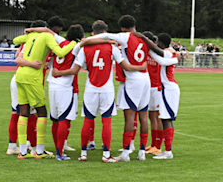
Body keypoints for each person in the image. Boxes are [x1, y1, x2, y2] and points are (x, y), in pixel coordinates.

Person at [53, 20, 147, 162]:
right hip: (106, 89)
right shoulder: (112, 47)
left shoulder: (85, 48)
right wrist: (141, 68)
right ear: (105, 32)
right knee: (106, 121)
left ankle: (83, 153)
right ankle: (105, 154)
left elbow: (76, 68)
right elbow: (126, 66)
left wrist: (58, 72)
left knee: (88, 121)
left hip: (91, 88)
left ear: (92, 33)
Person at [80, 15, 150, 162]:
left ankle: (125, 152)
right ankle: (141, 151)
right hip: (145, 78)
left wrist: (91, 40)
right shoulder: (143, 38)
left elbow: (103, 36)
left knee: (129, 116)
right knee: (143, 116)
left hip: (130, 80)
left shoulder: (123, 37)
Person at [12, 20, 77, 159]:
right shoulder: (48, 37)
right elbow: (60, 52)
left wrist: (29, 32)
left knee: (24, 112)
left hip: (20, 75)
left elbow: (15, 40)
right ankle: (39, 152)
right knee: (42, 112)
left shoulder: (30, 36)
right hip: (33, 78)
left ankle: (23, 152)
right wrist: (72, 43)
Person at [134, 32, 180, 160]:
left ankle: (168, 151)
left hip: (168, 89)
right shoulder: (169, 53)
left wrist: (145, 44)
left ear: (160, 43)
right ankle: (167, 150)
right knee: (165, 119)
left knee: (166, 119)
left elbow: (160, 60)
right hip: (167, 88)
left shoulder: (168, 53)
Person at [45, 24, 85, 161]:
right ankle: (60, 153)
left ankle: (58, 148)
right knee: (63, 119)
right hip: (65, 86)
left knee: (55, 119)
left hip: (52, 85)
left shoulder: (60, 42)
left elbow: (48, 31)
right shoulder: (76, 47)